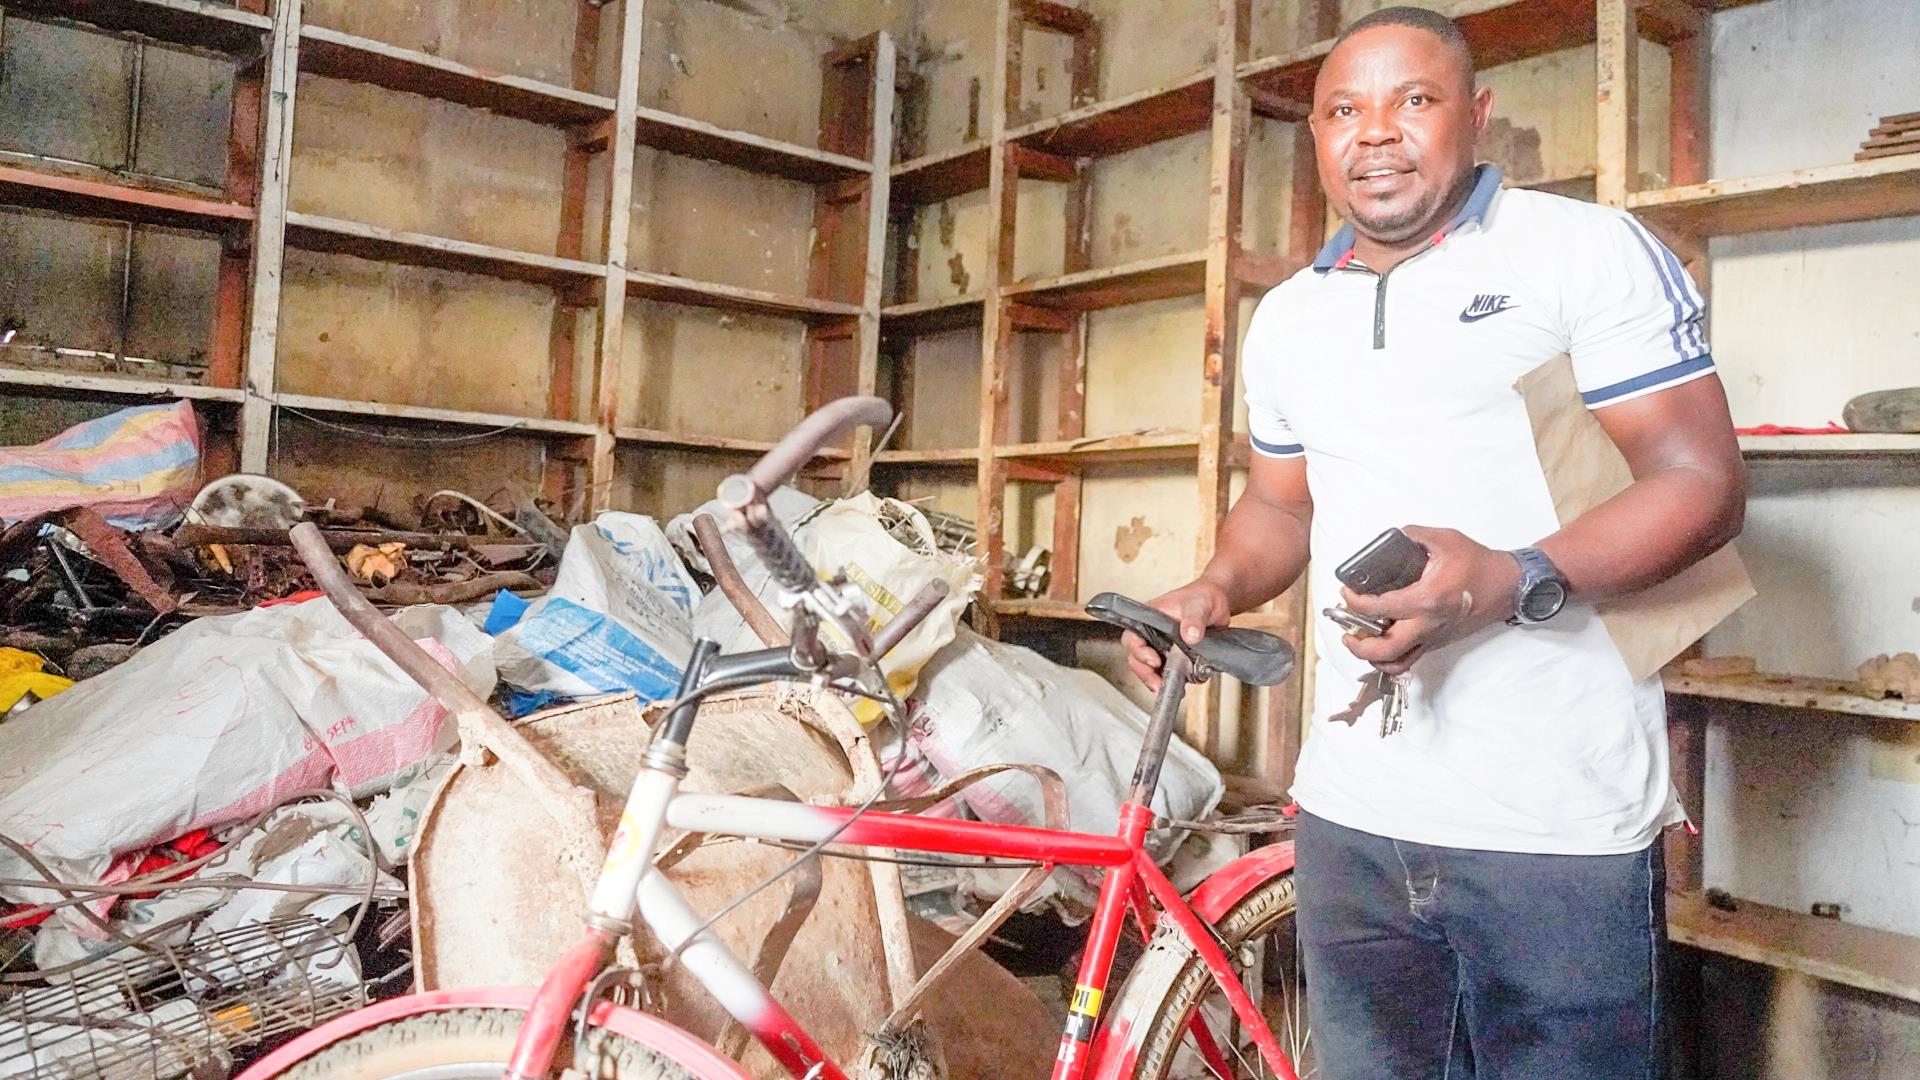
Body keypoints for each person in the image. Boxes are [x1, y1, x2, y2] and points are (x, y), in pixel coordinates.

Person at [1124, 7, 1746, 1079]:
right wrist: (1215, 586)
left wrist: (1510, 580)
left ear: (1477, 115)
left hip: (1557, 824)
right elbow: (1281, 508)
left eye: (1413, 100)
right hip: (1351, 821)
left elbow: (1702, 485)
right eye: (1344, 111)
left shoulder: (1579, 251)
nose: (1377, 134)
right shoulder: (1290, 318)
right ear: (1316, 136)